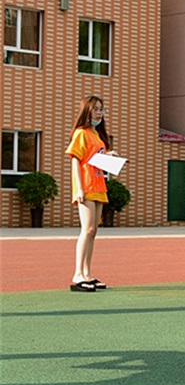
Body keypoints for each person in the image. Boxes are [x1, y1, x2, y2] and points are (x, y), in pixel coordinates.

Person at [66, 96, 114, 292]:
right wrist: (78, 188)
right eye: (95, 109)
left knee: (93, 231)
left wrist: (111, 158)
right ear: (87, 111)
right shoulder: (81, 133)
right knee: (86, 230)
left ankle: (87, 273)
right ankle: (78, 274)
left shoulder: (98, 136)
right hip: (86, 186)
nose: (99, 113)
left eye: (102, 109)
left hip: (98, 185)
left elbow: (95, 159)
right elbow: (76, 160)